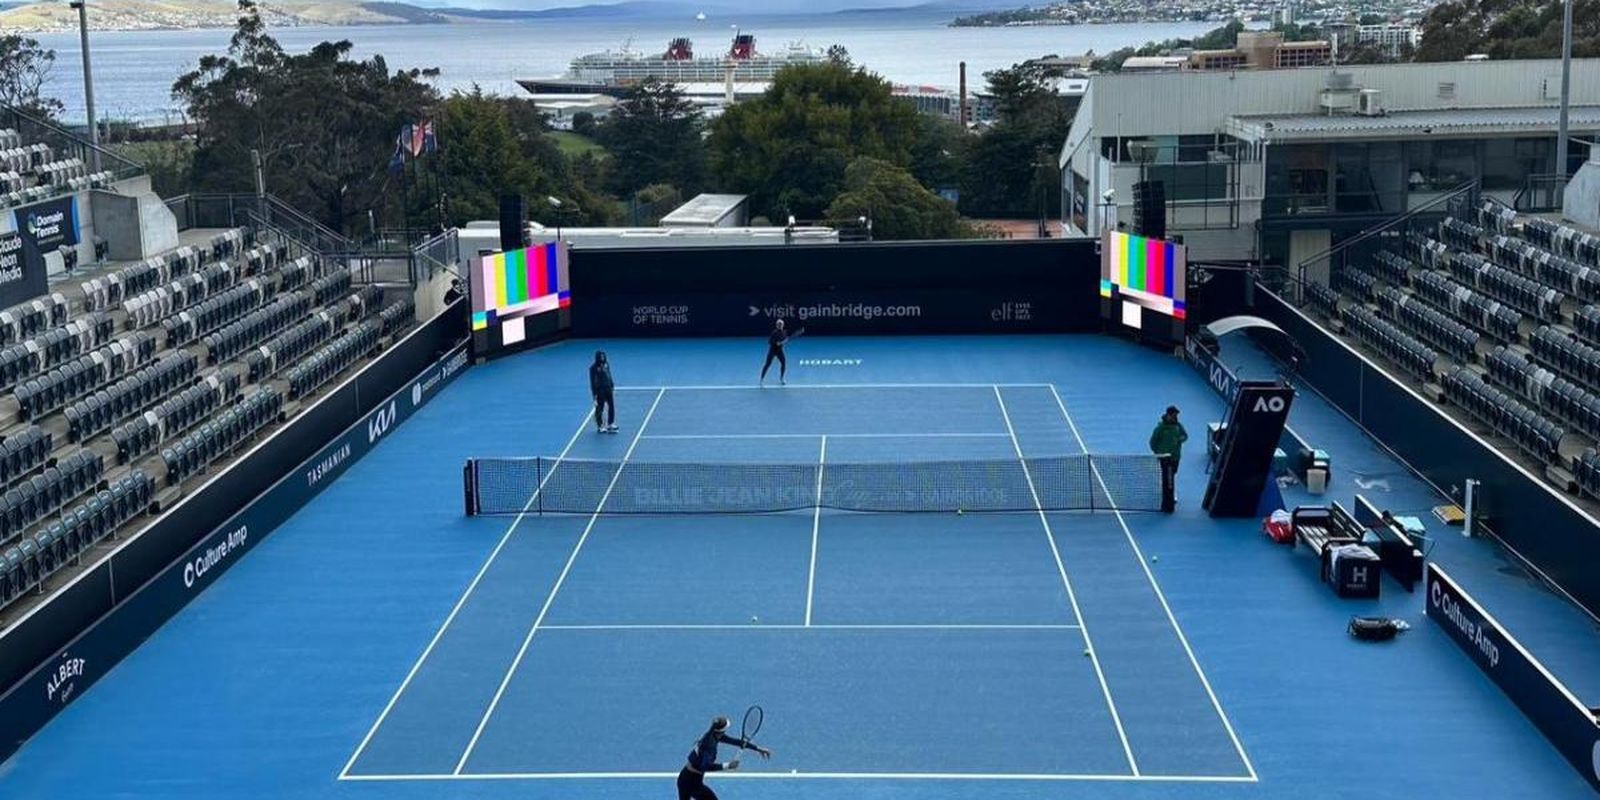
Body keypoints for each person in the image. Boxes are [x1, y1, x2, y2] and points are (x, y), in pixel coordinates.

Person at [677, 715, 772, 800]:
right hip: (692, 783)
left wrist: (758, 748)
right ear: (722, 731)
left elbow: (736, 742)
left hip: (684, 778)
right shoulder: (709, 745)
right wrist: (728, 766)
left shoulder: (713, 735)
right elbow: (705, 766)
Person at [1149, 405, 1187, 513]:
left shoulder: (1178, 426)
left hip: (1175, 456)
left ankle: (1170, 492)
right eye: (1174, 414)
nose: (1175, 416)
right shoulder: (1160, 428)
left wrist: (1180, 439)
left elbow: (1185, 436)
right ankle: (1168, 496)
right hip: (1164, 457)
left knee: (1172, 474)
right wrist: (1158, 453)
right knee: (1167, 476)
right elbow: (1153, 442)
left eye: (1176, 414)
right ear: (1168, 414)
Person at [590, 350, 617, 434]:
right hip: (600, 391)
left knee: (611, 406)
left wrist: (612, 384)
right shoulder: (593, 368)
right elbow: (592, 382)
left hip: (608, 389)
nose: (603, 358)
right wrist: (594, 394)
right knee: (600, 408)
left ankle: (610, 424)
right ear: (598, 357)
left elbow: (609, 375)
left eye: (603, 356)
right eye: (601, 357)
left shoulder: (606, 364)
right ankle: (600, 426)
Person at [759, 319, 791, 386]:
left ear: (783, 325)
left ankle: (782, 378)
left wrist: (784, 342)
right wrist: (776, 343)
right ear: (776, 325)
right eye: (778, 324)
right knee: (767, 364)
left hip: (779, 351)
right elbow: (769, 342)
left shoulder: (784, 332)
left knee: (783, 363)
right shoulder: (774, 333)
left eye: (781, 324)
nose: (780, 325)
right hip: (772, 350)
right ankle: (761, 379)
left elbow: (784, 340)